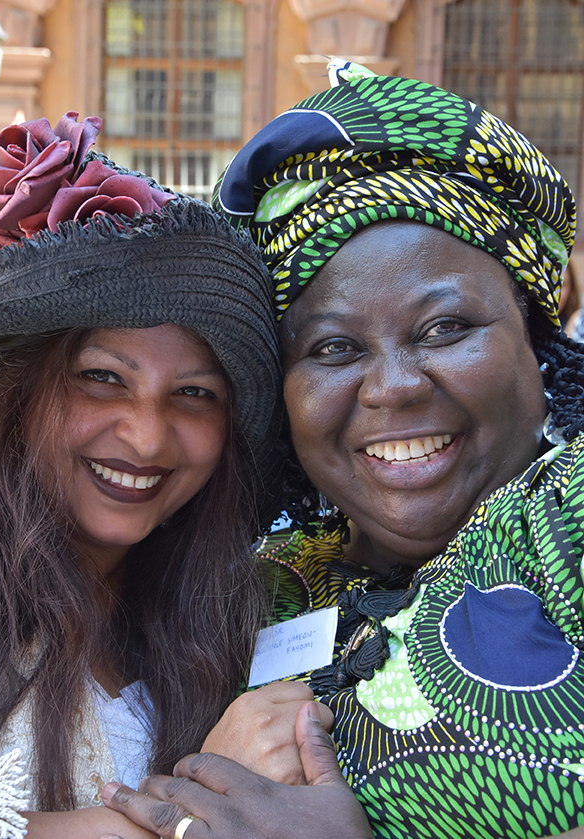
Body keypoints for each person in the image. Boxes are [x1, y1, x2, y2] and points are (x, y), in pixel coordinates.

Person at [101, 62, 584, 839]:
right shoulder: (256, 579)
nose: (394, 386)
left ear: (534, 331)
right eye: (332, 347)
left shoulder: (567, 510)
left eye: (446, 328)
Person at [0, 110, 284, 838]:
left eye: (194, 393)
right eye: (102, 377)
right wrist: (199, 808)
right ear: (12, 385)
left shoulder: (215, 599)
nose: (146, 435)